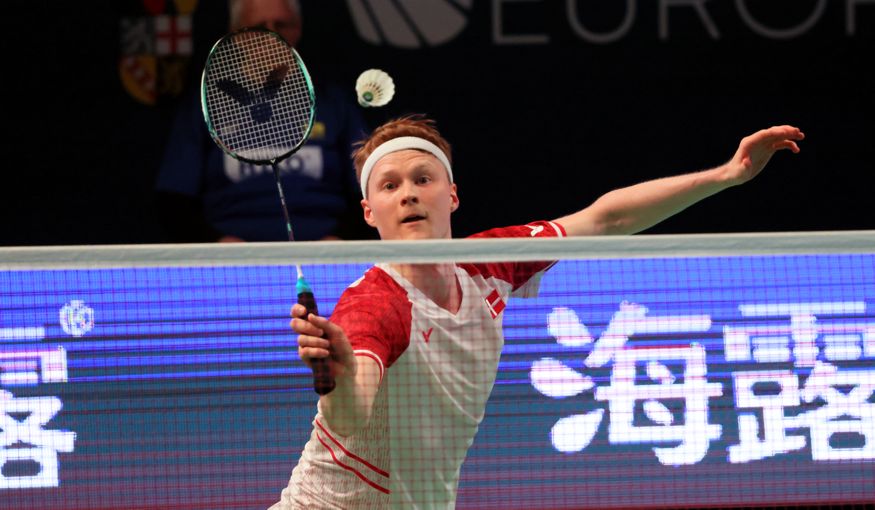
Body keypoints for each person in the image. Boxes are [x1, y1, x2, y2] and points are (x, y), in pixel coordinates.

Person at [270, 114, 805, 508]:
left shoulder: (489, 264)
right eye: (389, 186)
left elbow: (604, 221)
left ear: (451, 195)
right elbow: (351, 412)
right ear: (370, 211)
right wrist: (336, 377)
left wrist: (726, 176)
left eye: (422, 179)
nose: (408, 194)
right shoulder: (374, 303)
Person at [155, 0, 371, 243]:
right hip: (231, 260)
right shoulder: (205, 105)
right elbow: (173, 200)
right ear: (235, 34)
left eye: (281, 24)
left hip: (324, 254)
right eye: (259, 26)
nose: (271, 35)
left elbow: (370, 189)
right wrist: (217, 243)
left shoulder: (334, 103)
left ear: (297, 29)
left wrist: (340, 239)